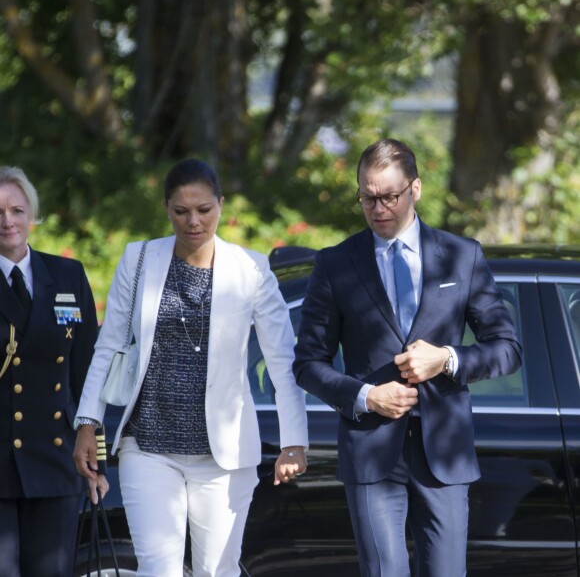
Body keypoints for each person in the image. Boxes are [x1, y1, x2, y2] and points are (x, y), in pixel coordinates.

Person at [293, 139, 522, 577]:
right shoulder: (336, 264)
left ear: (415, 189)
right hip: (371, 451)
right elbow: (308, 363)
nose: (378, 208)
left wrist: (447, 359)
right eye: (367, 197)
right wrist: (365, 395)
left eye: (389, 197)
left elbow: (508, 349)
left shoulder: (462, 255)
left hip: (445, 454)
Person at [73, 157, 308, 576]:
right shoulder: (139, 258)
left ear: (221, 204)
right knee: (157, 569)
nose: (193, 222)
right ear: (166, 208)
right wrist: (87, 422)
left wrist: (295, 440)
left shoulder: (251, 268)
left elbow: (281, 361)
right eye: (181, 211)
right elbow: (108, 344)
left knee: (216, 571)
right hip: (148, 448)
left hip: (223, 457)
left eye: (204, 210)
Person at [0, 166, 107, 577]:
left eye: (17, 210)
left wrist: (97, 462)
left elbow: (88, 372)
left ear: (32, 217)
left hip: (56, 460)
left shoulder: (67, 275)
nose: (7, 221)